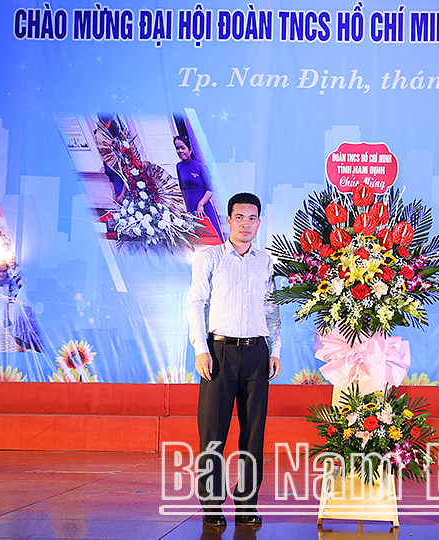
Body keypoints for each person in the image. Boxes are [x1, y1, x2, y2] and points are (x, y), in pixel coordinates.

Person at [186, 192, 281, 527]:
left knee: (253, 434)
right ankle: (212, 504)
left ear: (259, 222)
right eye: (239, 217)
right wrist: (200, 348)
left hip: (256, 353)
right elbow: (196, 304)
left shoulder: (265, 262)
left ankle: (246, 504)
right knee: (213, 431)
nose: (245, 224)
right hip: (219, 352)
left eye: (252, 218)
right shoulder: (209, 258)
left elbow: (272, 310)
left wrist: (275, 351)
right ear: (228, 221)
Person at [175, 135, 223, 240]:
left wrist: (201, 204)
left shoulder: (199, 167)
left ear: (190, 150)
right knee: (197, 240)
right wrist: (186, 206)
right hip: (191, 209)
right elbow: (182, 188)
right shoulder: (179, 167)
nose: (180, 151)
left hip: (203, 208)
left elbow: (210, 190)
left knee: (212, 237)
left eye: (182, 147)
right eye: (177, 148)